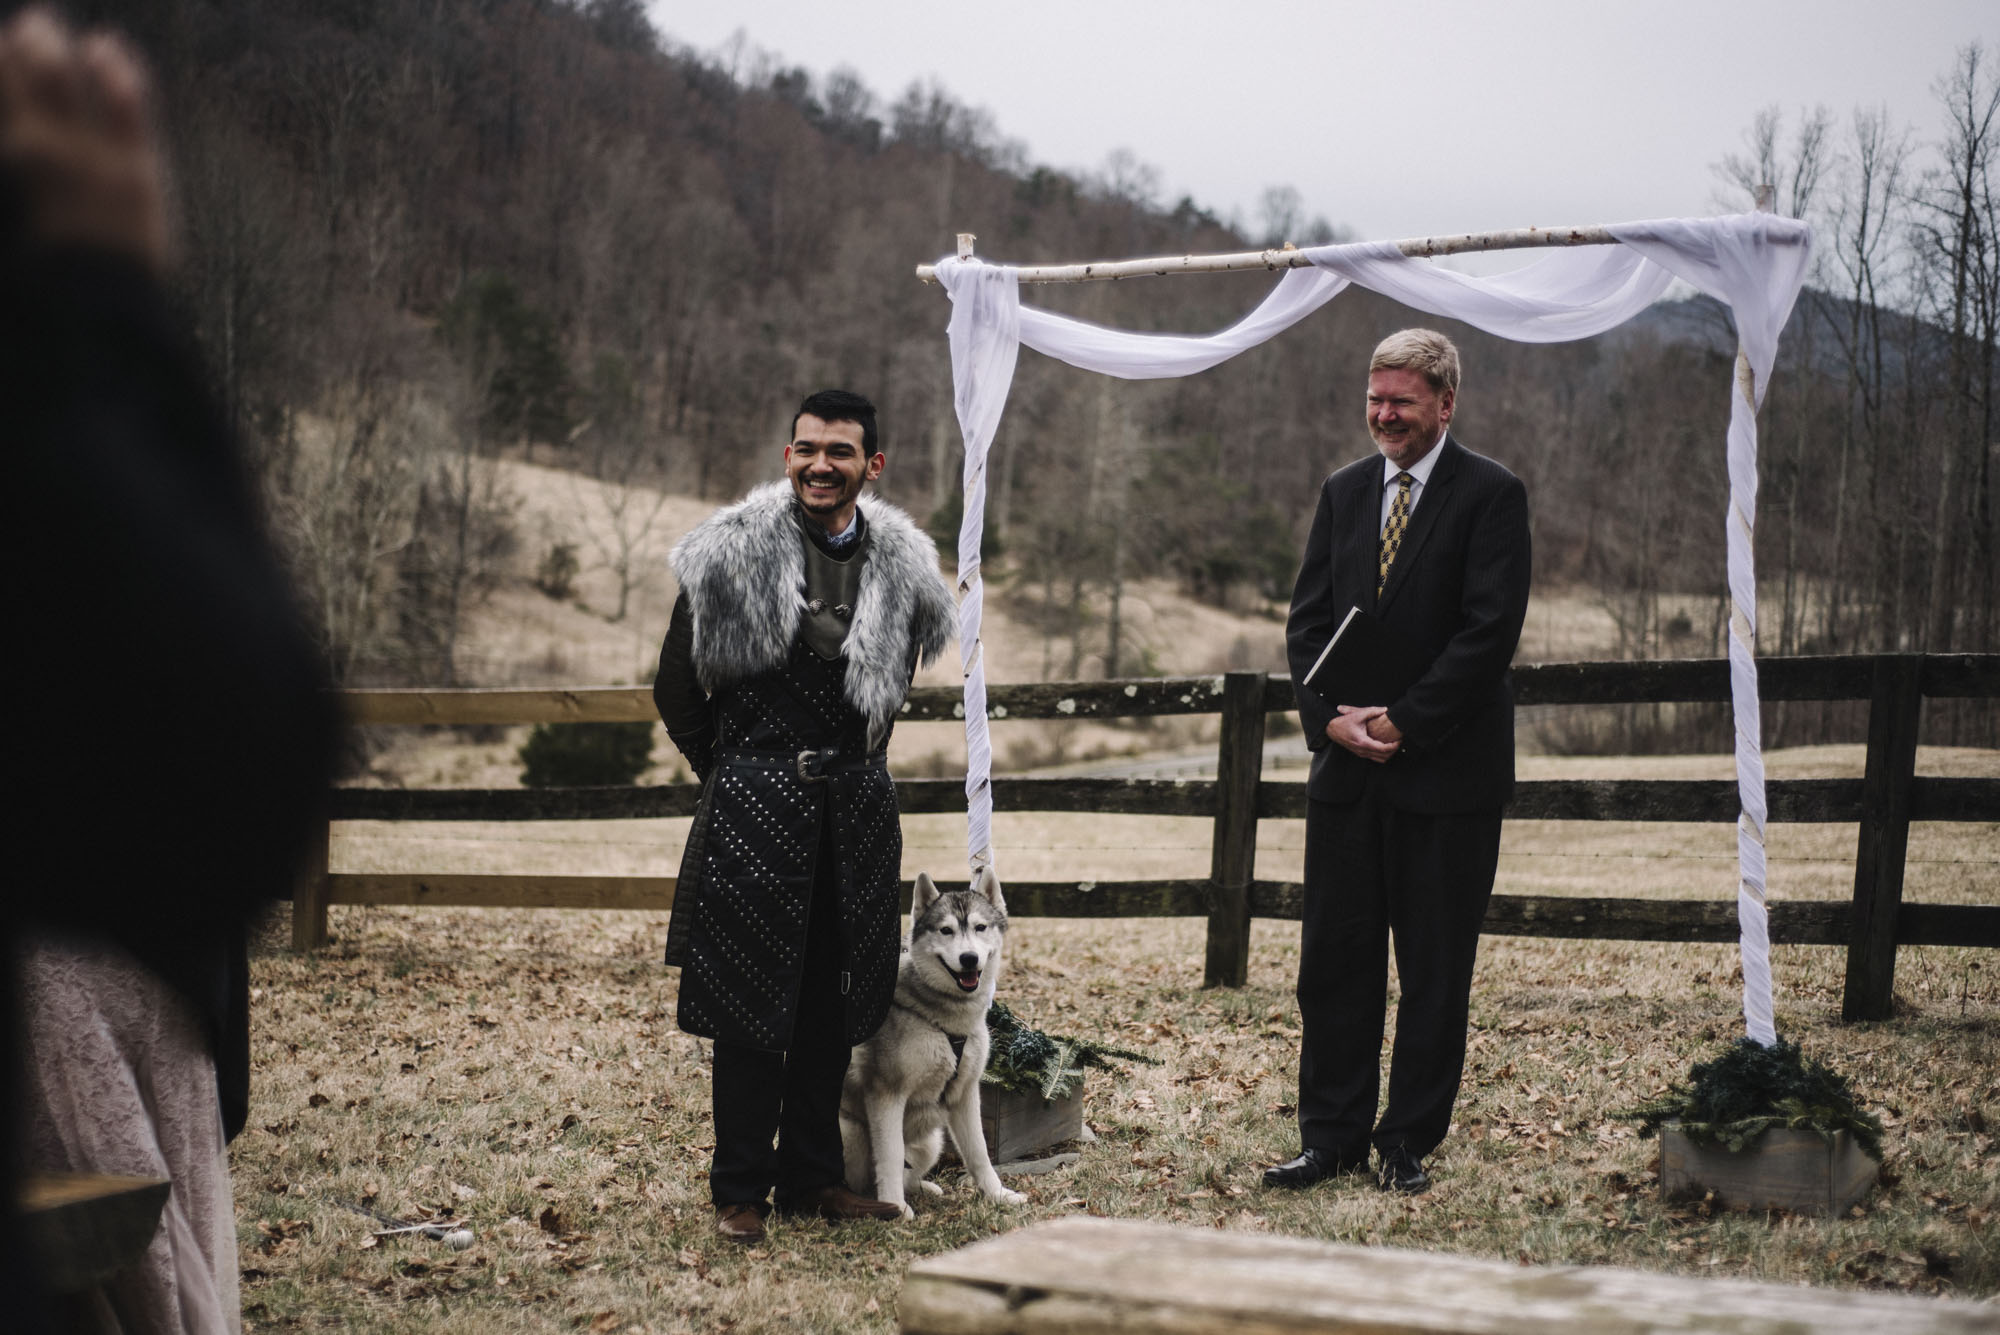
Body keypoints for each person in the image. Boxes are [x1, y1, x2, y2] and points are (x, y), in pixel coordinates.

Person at [2, 8, 336, 1331]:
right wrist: (107, 302)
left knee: (173, 1184)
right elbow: (243, 757)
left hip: (141, 957)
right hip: (63, 960)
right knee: (125, 1213)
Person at [653, 390, 955, 1243]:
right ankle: (742, 1187)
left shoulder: (900, 572)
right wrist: (735, 772)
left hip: (855, 814)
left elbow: (888, 695)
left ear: (873, 465)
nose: (822, 464)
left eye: (841, 451)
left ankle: (813, 1177)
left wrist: (850, 771)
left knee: (836, 994)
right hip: (753, 809)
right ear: (788, 455)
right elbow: (676, 687)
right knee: (750, 1001)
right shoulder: (729, 557)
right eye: (807, 449)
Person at [1267, 329, 1531, 1195]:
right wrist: (1327, 721)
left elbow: (1488, 631)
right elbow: (1308, 624)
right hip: (1346, 775)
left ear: (1445, 404)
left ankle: (1406, 1139)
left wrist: (1407, 722)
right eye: (1375, 397)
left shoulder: (1492, 495)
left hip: (1446, 776)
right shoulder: (1343, 492)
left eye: (1402, 401)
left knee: (1433, 970)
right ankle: (1330, 1136)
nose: (1384, 413)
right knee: (1335, 965)